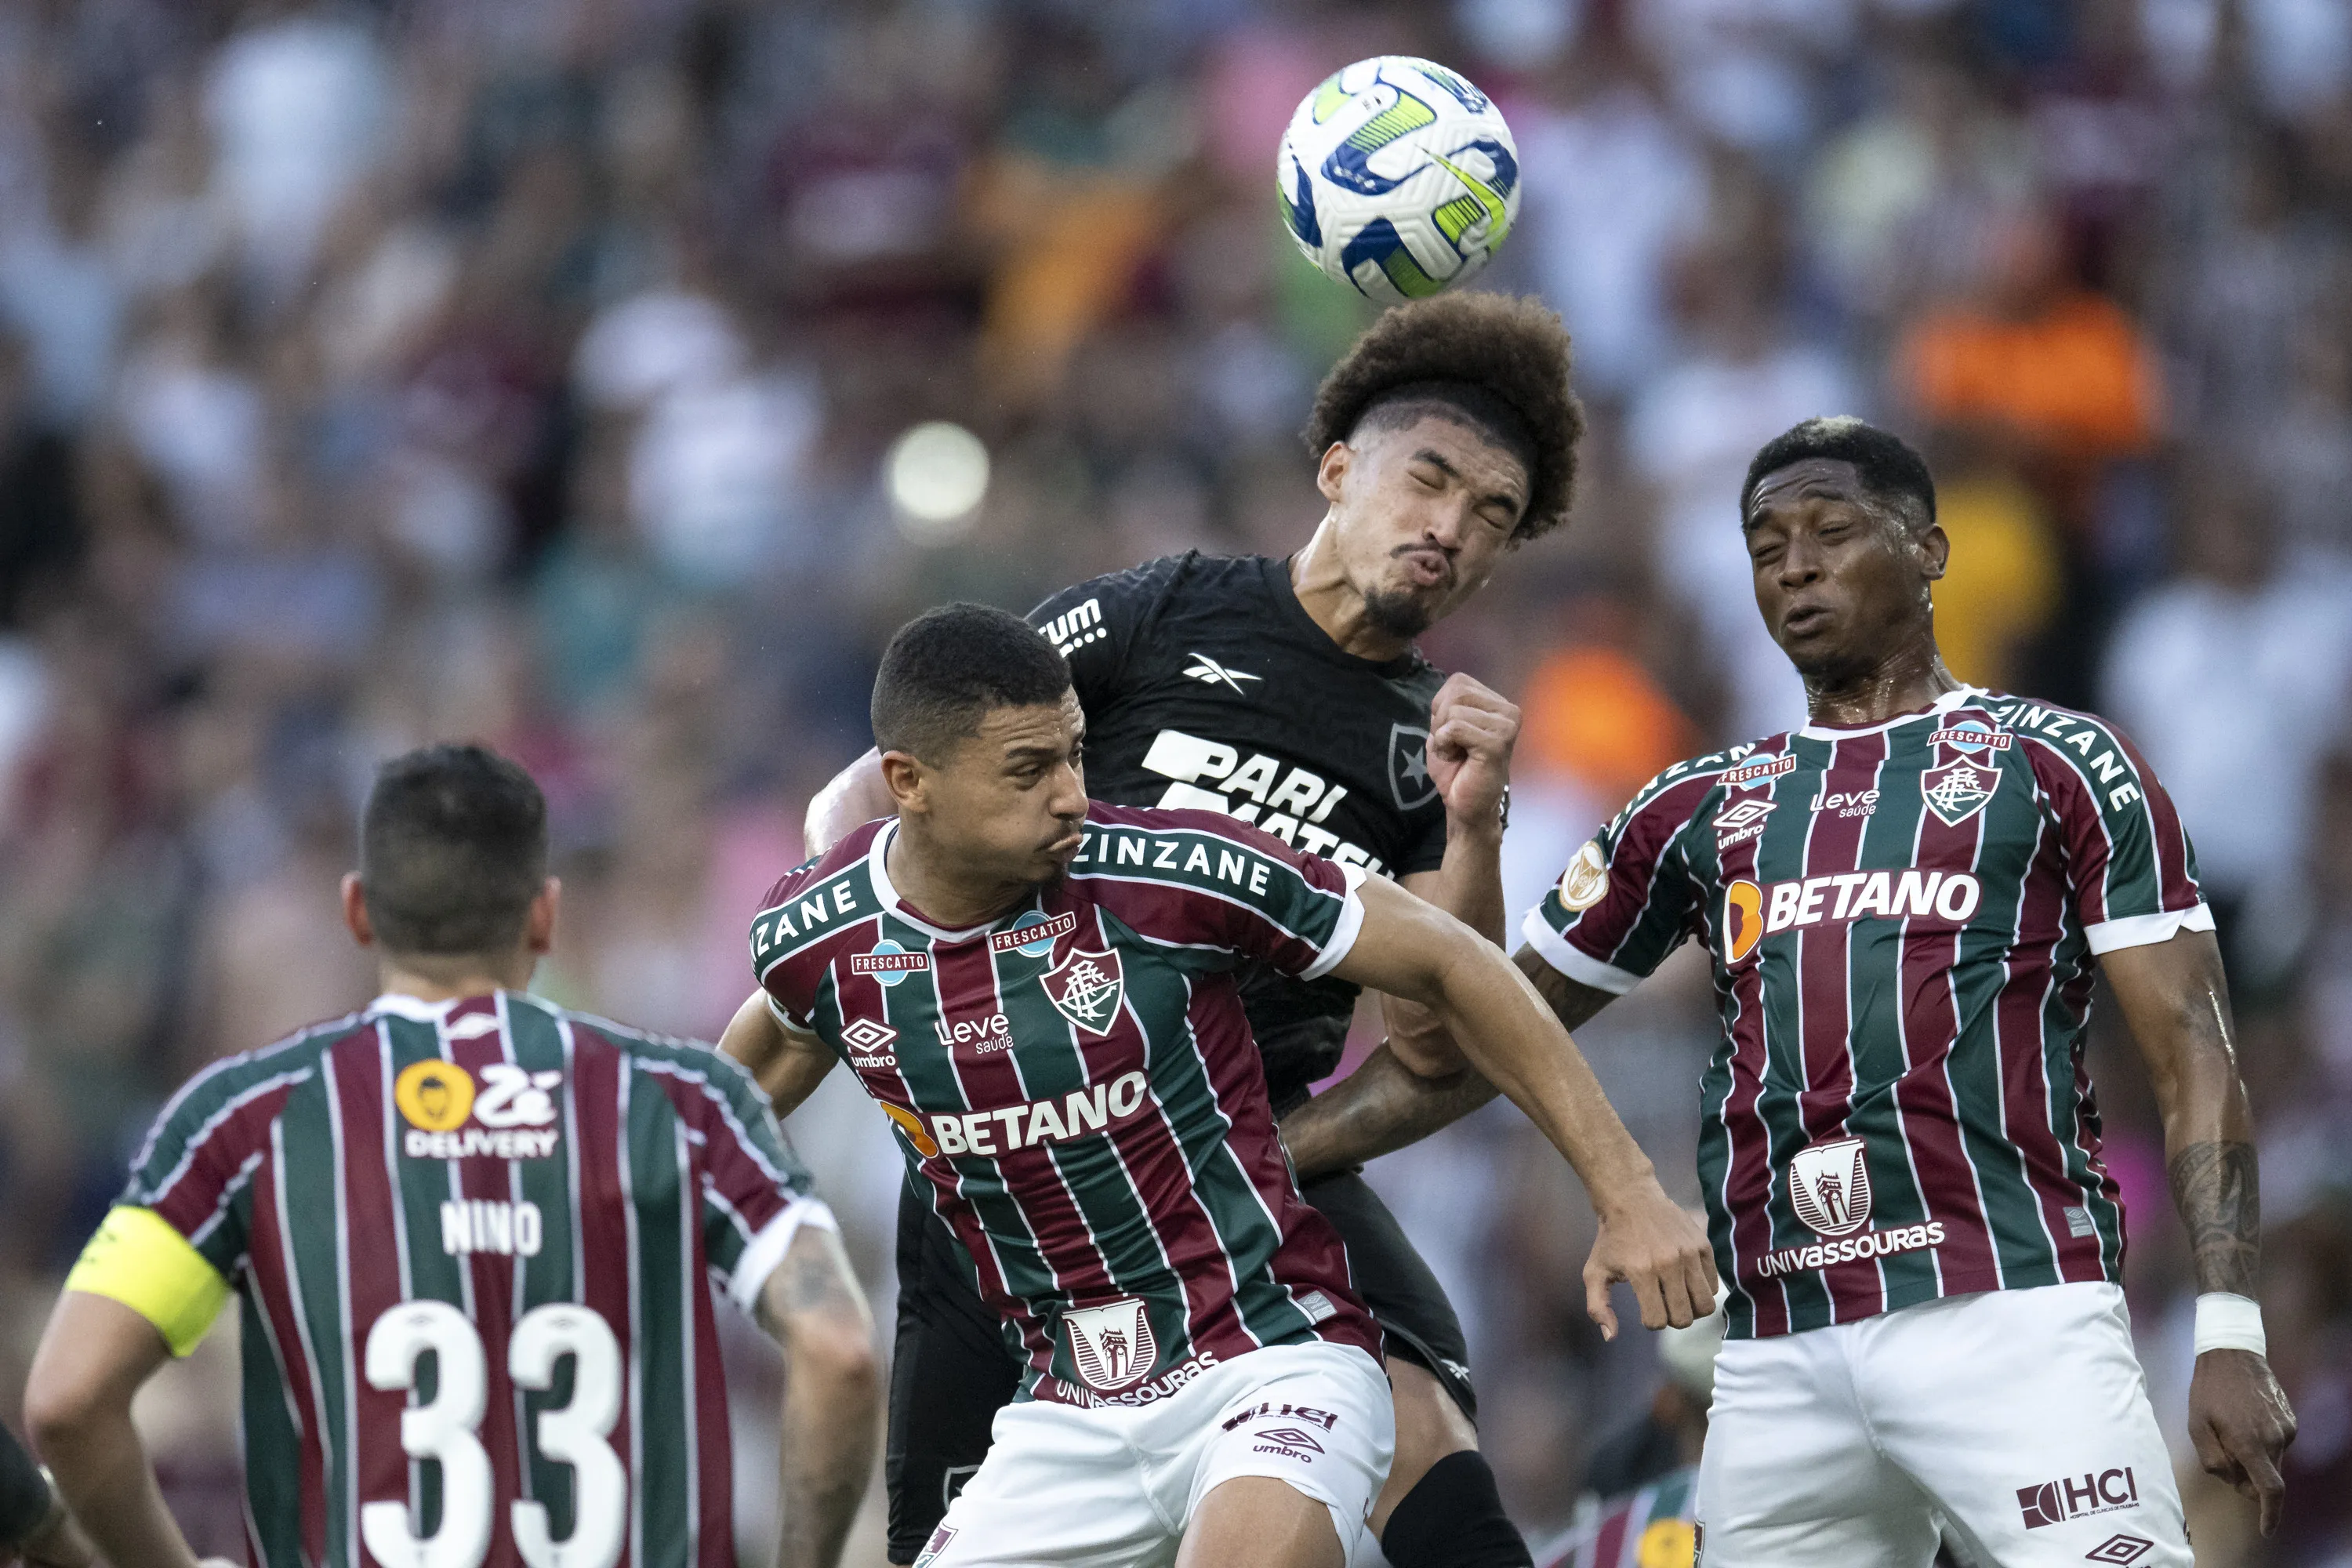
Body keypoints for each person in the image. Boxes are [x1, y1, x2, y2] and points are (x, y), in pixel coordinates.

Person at [1289, 416, 2299, 1564]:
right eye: (1767, 548)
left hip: (2010, 1316)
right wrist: (1272, 1155)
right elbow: (1489, 1035)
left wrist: (2229, 1326)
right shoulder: (1699, 807)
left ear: (1928, 549)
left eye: (1830, 533)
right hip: (1775, 1355)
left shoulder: (2059, 762)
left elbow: (2194, 1049)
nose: (1796, 568)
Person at [783, 291, 1584, 1568]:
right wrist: (922, 1007)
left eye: (1492, 515)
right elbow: (872, 794)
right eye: (1428, 480)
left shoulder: (1432, 739)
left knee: (1433, 1460)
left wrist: (1476, 827)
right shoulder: (1163, 610)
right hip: (1023, 1148)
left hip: (1245, 1162)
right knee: (937, 1534)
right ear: (1339, 471)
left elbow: (1438, 1045)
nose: (1449, 527)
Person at [728, 604, 1714, 1568]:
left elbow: (1453, 961)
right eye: (1029, 770)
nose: (1071, 795)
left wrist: (1626, 1189)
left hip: (1272, 1362)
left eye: (1075, 754)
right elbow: (723, 1109)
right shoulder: (820, 935)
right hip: (1066, 1411)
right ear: (909, 782)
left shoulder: (1171, 867)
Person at [23, 744, 882, 1568]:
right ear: (544, 915)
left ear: (358, 912)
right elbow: (839, 1349)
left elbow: (67, 1399)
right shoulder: (684, 1102)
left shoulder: (242, 1120)